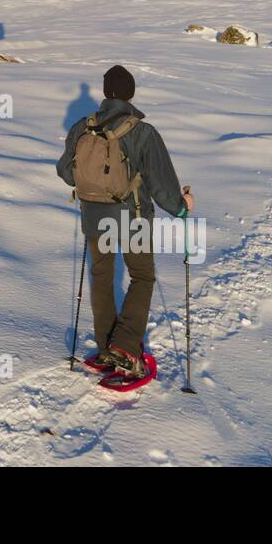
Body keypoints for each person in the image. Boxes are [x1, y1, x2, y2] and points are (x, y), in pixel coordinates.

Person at [56, 64, 194, 379]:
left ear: (106, 93)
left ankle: (108, 346)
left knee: (101, 276)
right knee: (142, 277)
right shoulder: (142, 132)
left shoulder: (82, 127)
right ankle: (126, 346)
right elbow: (161, 185)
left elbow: (66, 172)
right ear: (130, 94)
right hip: (132, 218)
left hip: (93, 216)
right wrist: (181, 207)